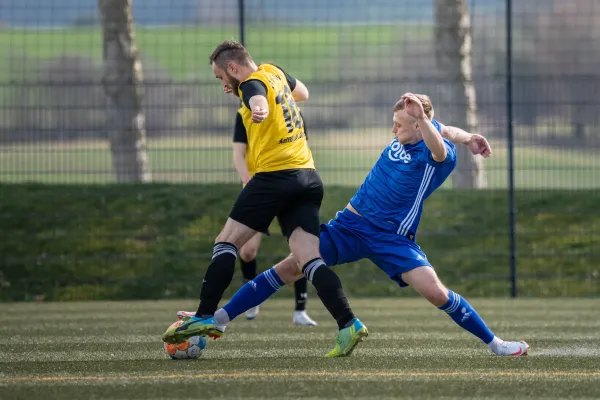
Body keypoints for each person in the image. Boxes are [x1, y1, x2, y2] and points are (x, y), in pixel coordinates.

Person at [203, 93, 529, 357]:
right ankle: (217, 320)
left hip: (391, 238)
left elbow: (439, 143)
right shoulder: (415, 133)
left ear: (419, 125)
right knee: (290, 267)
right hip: (349, 227)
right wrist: (470, 135)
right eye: (394, 123)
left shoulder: (437, 155)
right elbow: (446, 130)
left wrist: (436, 126)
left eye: (399, 124)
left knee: (435, 292)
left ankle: (496, 344)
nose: (393, 130)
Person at [162, 40, 368, 357]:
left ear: (233, 68)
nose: (223, 86)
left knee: (226, 242)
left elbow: (256, 94)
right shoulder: (274, 72)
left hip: (275, 176)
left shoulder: (251, 83)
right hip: (308, 177)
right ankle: (348, 323)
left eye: (221, 78)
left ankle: (204, 316)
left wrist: (259, 107)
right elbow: (304, 94)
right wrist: (275, 101)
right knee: (309, 260)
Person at [232, 107, 316, 326]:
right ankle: (251, 298)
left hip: (290, 186)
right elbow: (238, 154)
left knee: (301, 250)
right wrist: (248, 184)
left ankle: (300, 310)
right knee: (248, 251)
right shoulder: (246, 113)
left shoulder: (292, 111)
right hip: (261, 189)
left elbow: (302, 148)